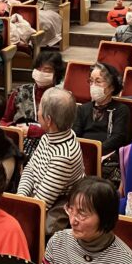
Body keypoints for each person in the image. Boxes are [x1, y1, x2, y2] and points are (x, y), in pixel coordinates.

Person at [42, 177, 132, 264]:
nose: (72, 221)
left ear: (105, 218)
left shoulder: (127, 263)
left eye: (81, 214)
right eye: (70, 209)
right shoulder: (57, 242)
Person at [17, 88, 85, 236]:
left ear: (48, 120)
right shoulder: (52, 135)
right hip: (36, 196)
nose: (37, 112)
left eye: (40, 109)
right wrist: (21, 197)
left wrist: (21, 209)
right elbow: (30, 169)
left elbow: (42, 201)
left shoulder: (64, 156)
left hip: (53, 205)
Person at [2, 51, 65, 161]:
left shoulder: (62, 98)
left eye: (46, 70)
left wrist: (33, 131)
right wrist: (14, 129)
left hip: (48, 148)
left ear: (56, 74)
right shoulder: (20, 91)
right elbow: (4, 120)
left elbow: (63, 131)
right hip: (18, 143)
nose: (41, 73)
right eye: (38, 69)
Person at [74, 63, 130, 178]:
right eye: (91, 81)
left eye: (98, 82)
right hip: (82, 156)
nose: (93, 86)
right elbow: (75, 134)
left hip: (108, 157)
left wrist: (95, 152)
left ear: (112, 87)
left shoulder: (121, 110)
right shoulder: (82, 109)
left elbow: (118, 138)